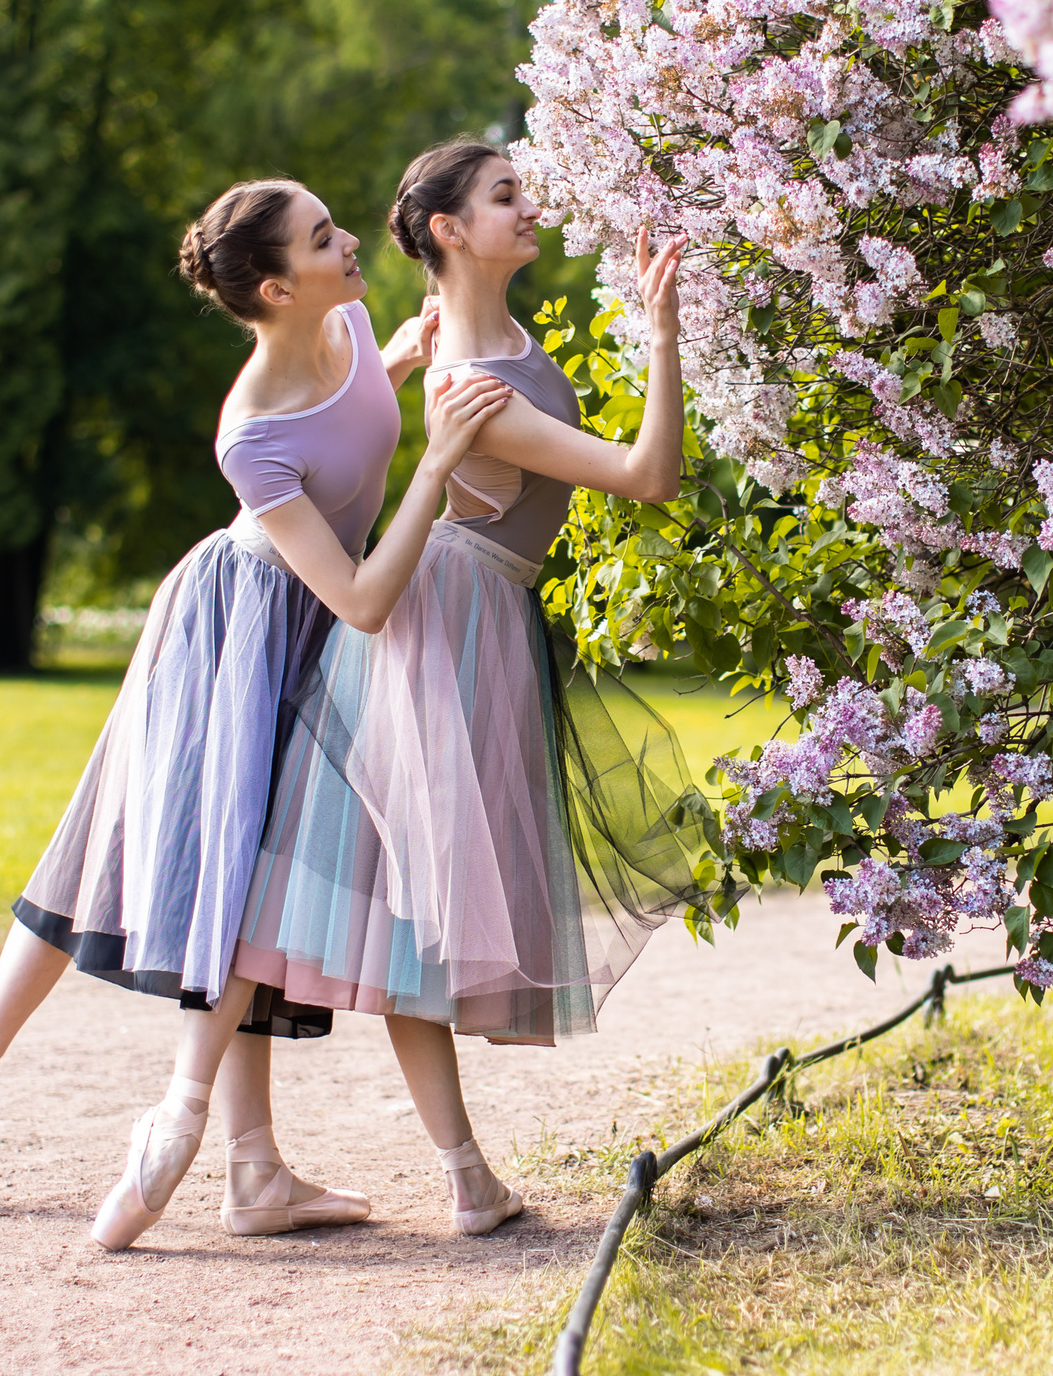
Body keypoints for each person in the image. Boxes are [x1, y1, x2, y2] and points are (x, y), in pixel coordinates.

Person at [0, 177, 513, 1245]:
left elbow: (350, 424)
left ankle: (249, 1170)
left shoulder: (349, 320)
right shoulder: (245, 434)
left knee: (249, 884)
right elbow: (357, 600)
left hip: (303, 634)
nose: (349, 239)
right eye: (321, 238)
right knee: (112, 851)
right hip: (236, 631)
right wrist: (435, 465)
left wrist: (398, 362)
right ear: (273, 286)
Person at [207, 139, 714, 1242]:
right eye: (504, 198)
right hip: (444, 632)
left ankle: (454, 1176)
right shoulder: (473, 387)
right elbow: (646, 477)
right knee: (405, 906)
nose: (528, 209)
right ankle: (423, 1173)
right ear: (448, 231)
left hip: (478, 623)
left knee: (416, 906)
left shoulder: (491, 344)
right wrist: (663, 333)